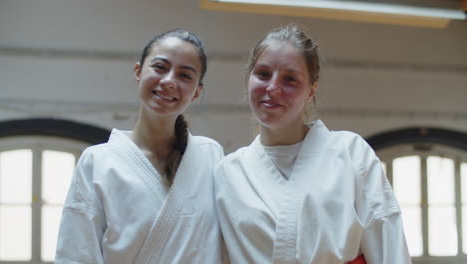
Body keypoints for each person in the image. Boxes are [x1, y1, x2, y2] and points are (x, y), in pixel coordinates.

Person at [214, 25, 412, 264]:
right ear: (248, 78)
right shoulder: (227, 173)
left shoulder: (349, 153)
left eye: (290, 79)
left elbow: (388, 245)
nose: (273, 88)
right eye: (263, 74)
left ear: (311, 90)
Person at [55, 29, 225, 263]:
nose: (169, 81)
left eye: (185, 75)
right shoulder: (97, 163)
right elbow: (76, 253)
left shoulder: (210, 156)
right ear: (138, 72)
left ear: (197, 92)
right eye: (160, 67)